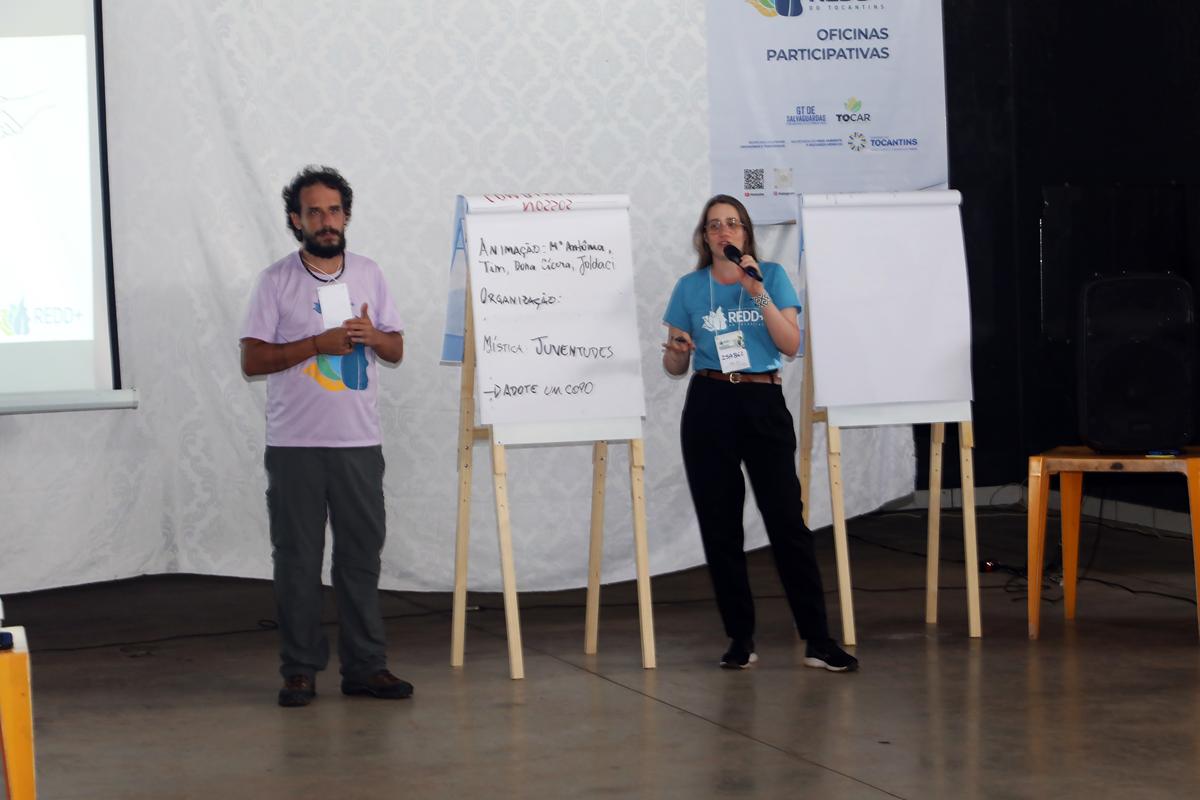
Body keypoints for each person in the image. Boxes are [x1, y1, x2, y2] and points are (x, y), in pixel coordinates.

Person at [661, 194, 858, 673]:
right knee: (720, 524)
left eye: (732, 223)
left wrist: (758, 293)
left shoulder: (770, 276)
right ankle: (740, 638)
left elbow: (790, 344)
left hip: (762, 401)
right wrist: (678, 351)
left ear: (745, 233)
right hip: (709, 402)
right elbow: (674, 364)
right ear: (704, 238)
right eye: (714, 225)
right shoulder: (689, 287)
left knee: (786, 521)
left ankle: (817, 639)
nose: (723, 232)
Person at [241, 165, 413, 706]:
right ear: (296, 220)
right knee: (297, 560)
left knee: (360, 558)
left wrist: (373, 336)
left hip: (358, 444)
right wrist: (316, 345)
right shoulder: (275, 280)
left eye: (334, 210)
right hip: (294, 446)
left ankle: (366, 667)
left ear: (346, 215)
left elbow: (396, 349)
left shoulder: (369, 273)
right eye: (313, 212)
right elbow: (252, 359)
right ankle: (299, 670)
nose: (326, 220)